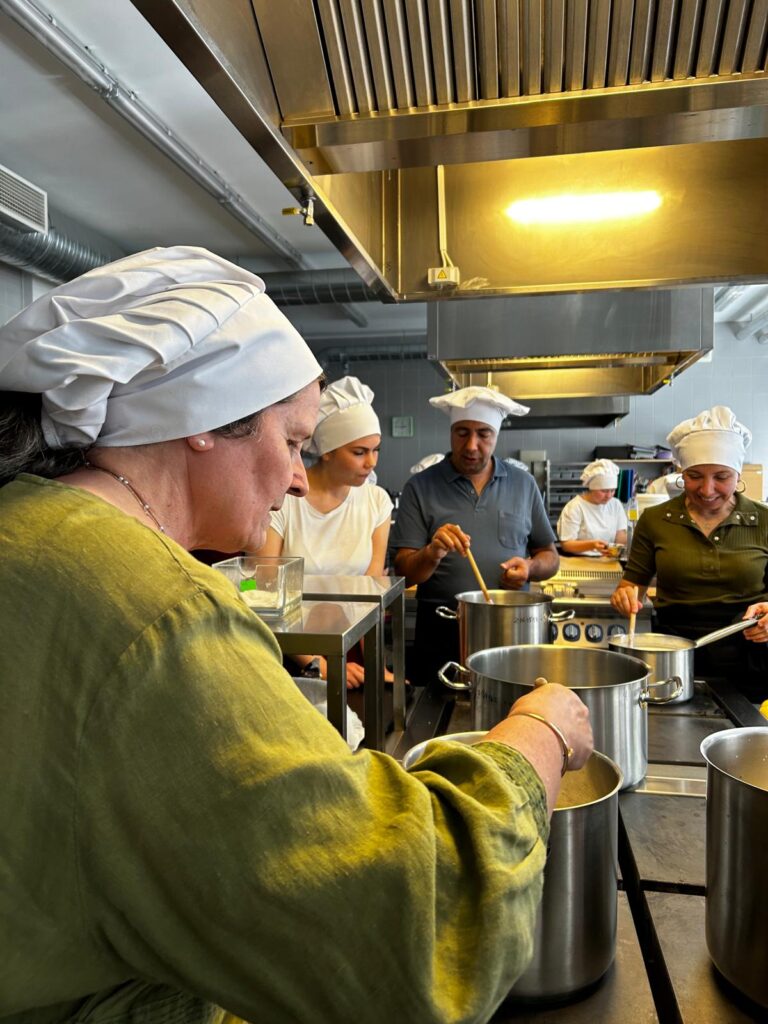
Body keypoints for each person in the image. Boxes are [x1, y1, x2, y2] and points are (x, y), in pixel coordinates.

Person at [0, 246, 593, 1024]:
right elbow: (406, 931)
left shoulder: (27, 529)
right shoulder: (156, 610)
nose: (295, 477)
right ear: (201, 424)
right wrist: (540, 732)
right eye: (289, 442)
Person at [391, 386, 559, 686]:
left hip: (510, 628)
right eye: (462, 433)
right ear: (450, 433)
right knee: (436, 708)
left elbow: (550, 556)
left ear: (496, 435)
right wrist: (431, 553)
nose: (471, 445)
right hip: (442, 627)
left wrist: (530, 567)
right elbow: (404, 571)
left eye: (483, 434)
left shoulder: (523, 485)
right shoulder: (421, 487)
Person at [611, 406, 768, 700]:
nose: (707, 490)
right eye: (694, 476)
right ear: (680, 473)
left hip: (749, 656)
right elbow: (631, 586)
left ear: (738, 474)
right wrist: (625, 597)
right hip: (672, 655)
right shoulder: (656, 519)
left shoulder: (763, 520)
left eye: (721, 476)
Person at [257, 375, 392, 688]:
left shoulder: (376, 502)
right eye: (359, 452)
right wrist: (314, 663)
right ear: (328, 450)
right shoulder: (284, 500)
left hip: (349, 650)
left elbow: (369, 594)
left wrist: (374, 666)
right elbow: (260, 589)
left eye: (376, 450)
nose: (371, 462)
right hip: (286, 652)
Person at [557, 459, 628, 555]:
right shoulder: (575, 507)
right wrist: (592, 545)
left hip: (608, 559)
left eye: (612, 490)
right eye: (604, 491)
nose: (609, 495)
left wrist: (627, 541)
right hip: (579, 560)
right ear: (592, 488)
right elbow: (566, 545)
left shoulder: (616, 505)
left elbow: (620, 537)